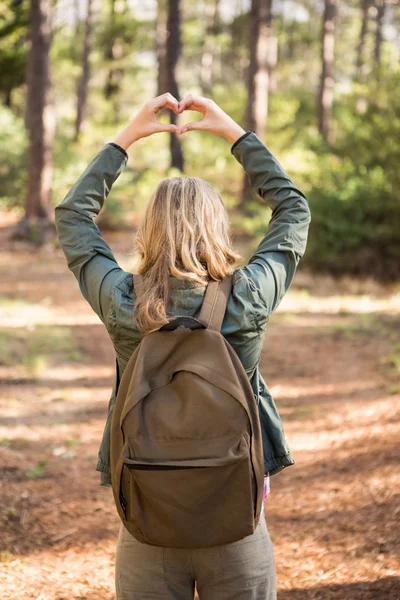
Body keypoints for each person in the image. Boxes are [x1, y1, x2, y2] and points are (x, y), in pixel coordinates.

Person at [55, 92, 311, 600]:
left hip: (147, 518)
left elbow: (73, 219)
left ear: (149, 229)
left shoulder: (123, 300)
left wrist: (126, 138)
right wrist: (235, 135)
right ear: (217, 226)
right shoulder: (249, 295)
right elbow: (293, 210)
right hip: (236, 517)